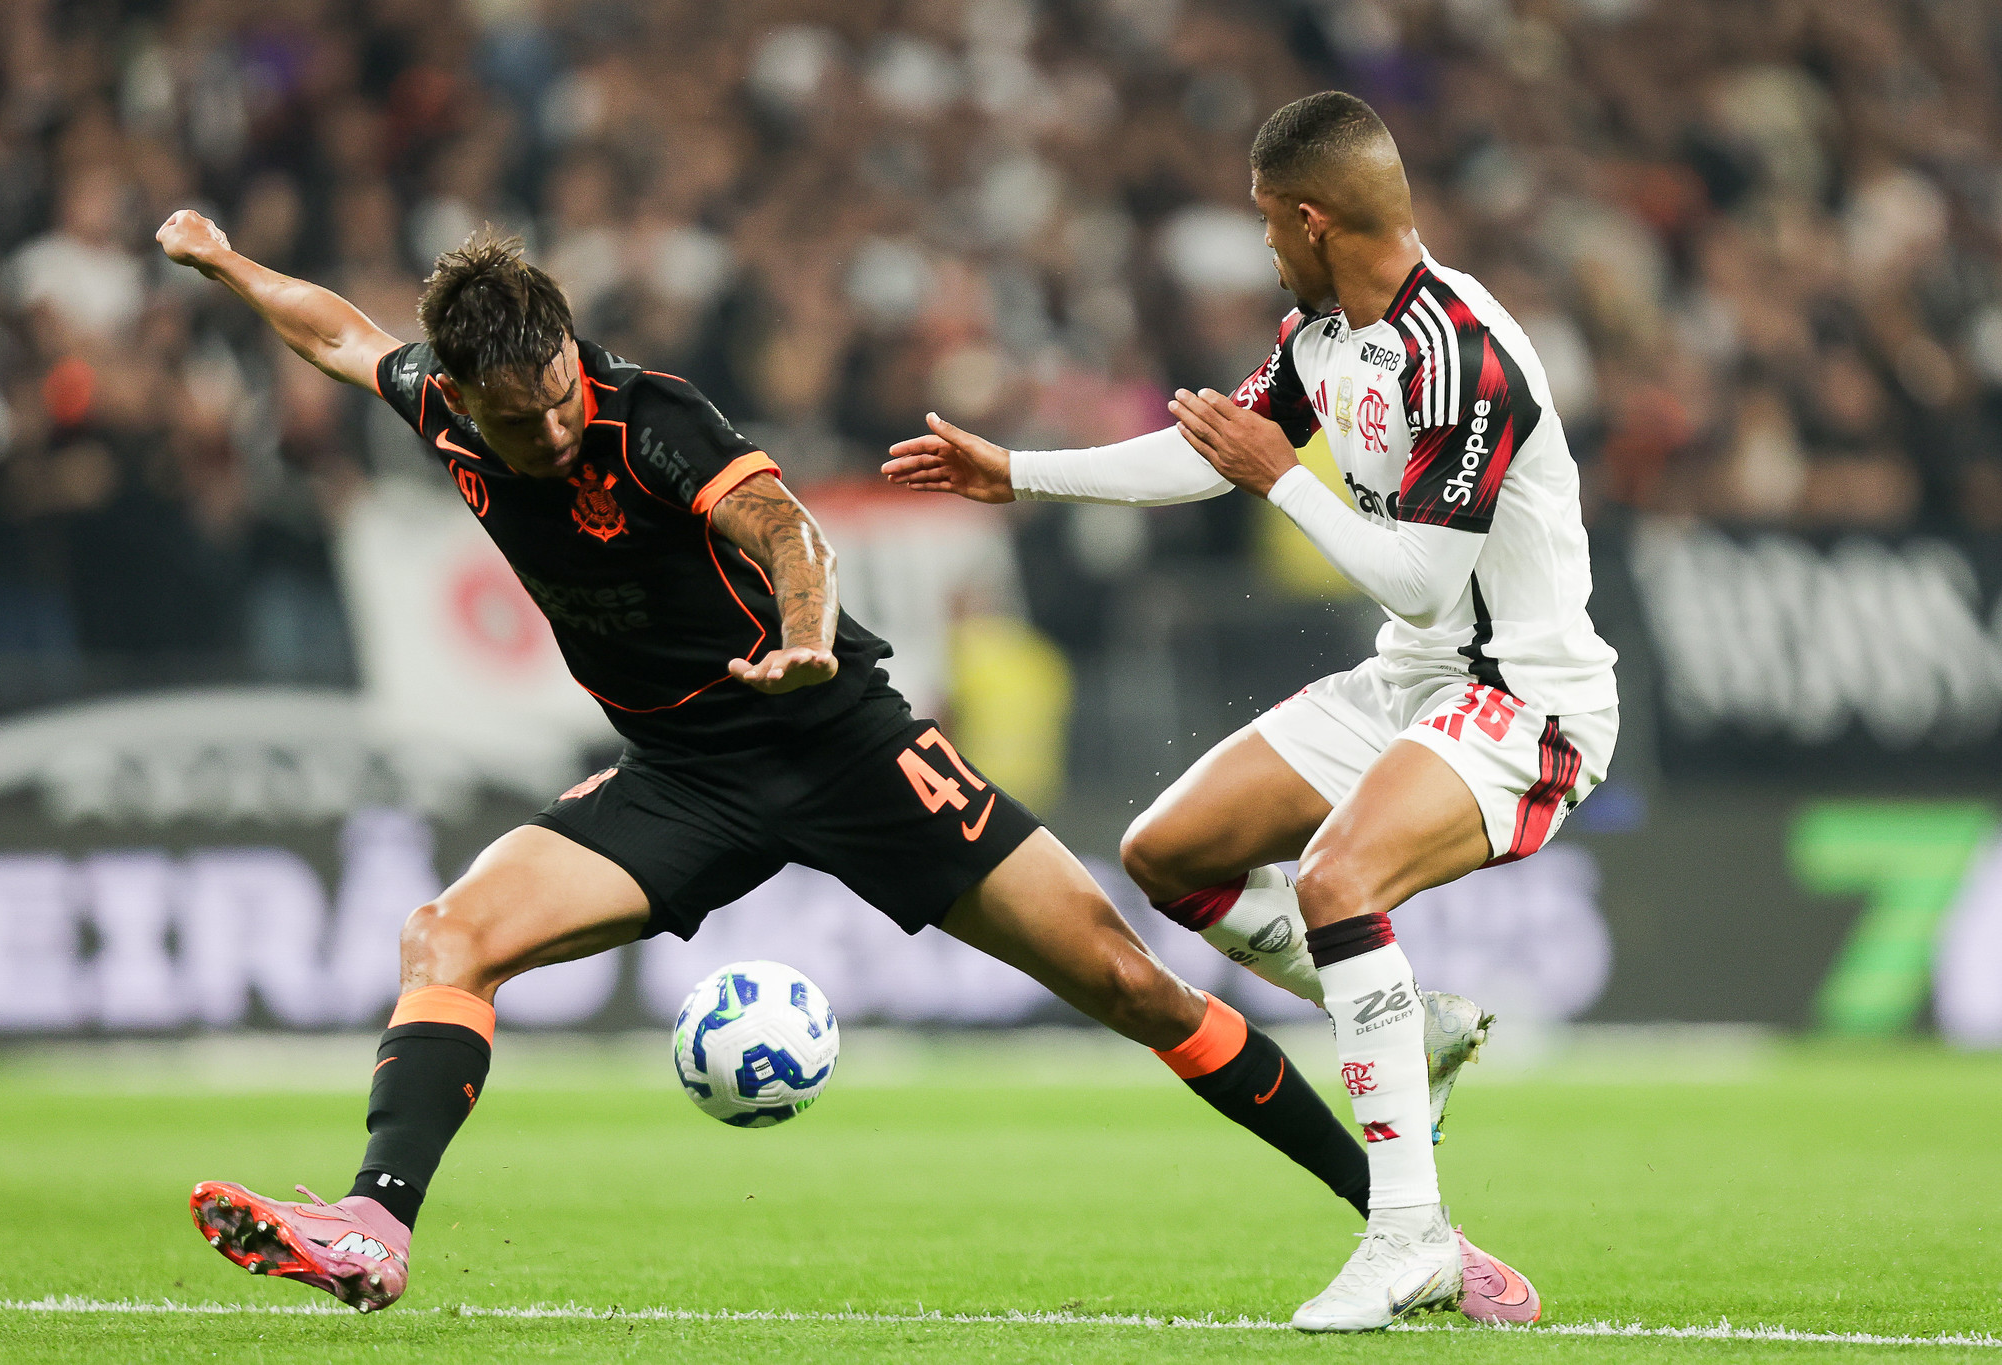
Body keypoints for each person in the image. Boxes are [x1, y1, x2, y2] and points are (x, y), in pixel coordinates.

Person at [154, 210, 1509, 1323]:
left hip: (841, 738)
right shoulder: (441, 403)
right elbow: (337, 329)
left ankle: (1413, 1232)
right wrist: (227, 267)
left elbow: (789, 530)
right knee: (444, 935)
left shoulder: (649, 416)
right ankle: (372, 1225)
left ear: (573, 351)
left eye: (563, 400)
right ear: (458, 397)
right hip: (680, 771)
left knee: (1126, 983)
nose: (556, 438)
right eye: (522, 427)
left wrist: (804, 640)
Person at [885, 90, 1615, 1331]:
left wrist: (1284, 481)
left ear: (1313, 217)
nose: (1264, 246)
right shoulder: (1323, 334)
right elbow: (1211, 448)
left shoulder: (1466, 357)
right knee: (1168, 854)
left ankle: (1410, 1238)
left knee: (1337, 883)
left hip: (1522, 702)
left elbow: (1422, 575)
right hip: (1410, 684)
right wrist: (1018, 473)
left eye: (1269, 223)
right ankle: (1397, 1024)